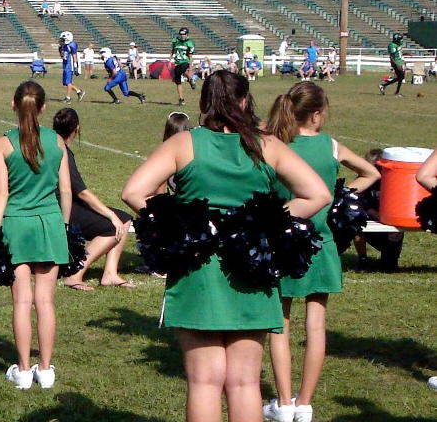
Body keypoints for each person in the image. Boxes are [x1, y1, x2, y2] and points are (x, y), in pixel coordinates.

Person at [121, 71, 331, 422]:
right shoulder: (266, 145)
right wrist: (262, 224)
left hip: (198, 270)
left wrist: (184, 226)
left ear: (205, 103)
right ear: (245, 101)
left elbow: (132, 192)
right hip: (252, 269)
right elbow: (318, 194)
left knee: (204, 382)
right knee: (245, 382)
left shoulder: (184, 143)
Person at [262, 81, 379, 422]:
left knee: (279, 322)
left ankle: (284, 404)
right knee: (316, 324)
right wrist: (341, 196)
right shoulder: (330, 146)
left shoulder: (275, 143)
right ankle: (305, 404)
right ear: (316, 114)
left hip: (281, 241)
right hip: (321, 243)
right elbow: (370, 172)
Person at [0, 81, 71, 390]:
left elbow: (1, 192)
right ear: (43, 107)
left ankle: (23, 370)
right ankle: (46, 370)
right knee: (45, 301)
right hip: (50, 223)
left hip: (16, 224)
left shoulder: (2, 144)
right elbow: (66, 190)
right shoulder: (57, 141)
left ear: (14, 105)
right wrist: (65, 226)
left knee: (22, 301)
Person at [53, 108, 134, 291]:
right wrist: (110, 215)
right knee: (114, 225)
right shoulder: (63, 152)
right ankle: (75, 274)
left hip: (64, 204)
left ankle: (110, 274)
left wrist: (114, 215)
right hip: (61, 208)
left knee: (124, 218)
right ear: (77, 128)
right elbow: (82, 193)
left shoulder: (54, 148)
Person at [171, 28, 195, 105]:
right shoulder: (175, 41)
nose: (182, 36)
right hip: (177, 62)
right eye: (181, 34)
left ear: (187, 34)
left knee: (182, 69)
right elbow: (172, 50)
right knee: (178, 82)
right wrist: (170, 59)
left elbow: (190, 56)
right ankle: (181, 99)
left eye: (184, 34)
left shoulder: (190, 43)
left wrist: (190, 66)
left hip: (185, 61)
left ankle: (190, 78)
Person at [380, 33, 407, 97]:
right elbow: (392, 56)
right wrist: (395, 64)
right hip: (396, 62)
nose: (401, 40)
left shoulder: (398, 44)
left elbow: (398, 52)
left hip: (400, 61)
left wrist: (404, 56)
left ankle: (384, 86)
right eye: (400, 39)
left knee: (401, 77)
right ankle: (395, 92)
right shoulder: (392, 45)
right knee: (401, 77)